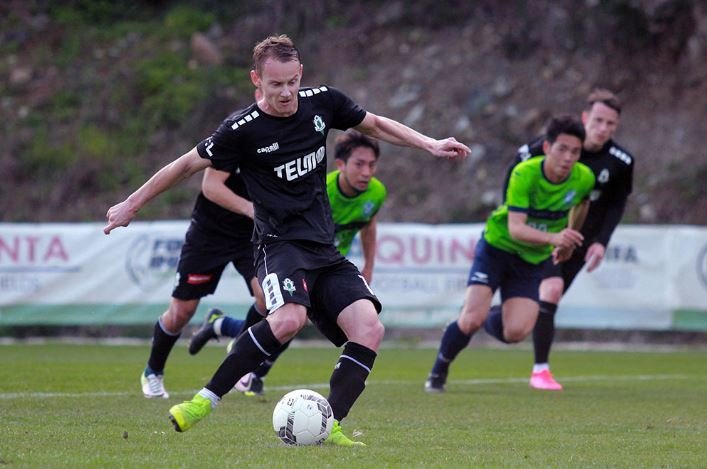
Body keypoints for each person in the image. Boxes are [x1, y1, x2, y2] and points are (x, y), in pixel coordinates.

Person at [104, 34, 469, 446]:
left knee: (369, 328)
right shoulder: (241, 130)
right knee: (288, 319)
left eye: (291, 82)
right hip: (277, 244)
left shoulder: (322, 102)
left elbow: (376, 124)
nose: (286, 93)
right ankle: (204, 401)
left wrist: (430, 143)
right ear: (256, 80)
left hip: (323, 248)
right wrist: (131, 205)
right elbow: (186, 165)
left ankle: (330, 426)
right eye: (275, 84)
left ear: (300, 75)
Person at [187, 129, 388, 396]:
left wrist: (369, 265)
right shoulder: (321, 189)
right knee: (290, 318)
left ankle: (222, 328)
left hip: (329, 263)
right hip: (295, 256)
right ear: (340, 165)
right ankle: (248, 375)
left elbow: (369, 225)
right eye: (359, 164)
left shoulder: (376, 192)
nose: (366, 172)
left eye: (372, 165)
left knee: (297, 321)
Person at [424, 115, 594, 393]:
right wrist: (555, 238)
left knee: (515, 333)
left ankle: (487, 311)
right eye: (562, 149)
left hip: (531, 260)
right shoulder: (525, 173)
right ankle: (438, 371)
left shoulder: (583, 178)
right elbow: (516, 229)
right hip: (497, 248)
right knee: (470, 320)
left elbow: (583, 202)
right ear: (548, 147)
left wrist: (567, 242)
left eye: (575, 151)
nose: (568, 157)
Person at [495, 89, 634, 391]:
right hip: (544, 234)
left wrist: (601, 242)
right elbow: (514, 171)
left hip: (579, 240)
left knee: (525, 320)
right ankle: (540, 371)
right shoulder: (561, 147)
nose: (603, 128)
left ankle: (482, 319)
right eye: (598, 120)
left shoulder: (621, 162)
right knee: (552, 290)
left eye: (611, 124)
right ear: (586, 118)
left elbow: (616, 204)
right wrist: (513, 217)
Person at [138, 162, 265, 399]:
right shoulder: (236, 133)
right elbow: (210, 186)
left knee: (268, 298)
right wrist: (251, 209)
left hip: (251, 236)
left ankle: (239, 348)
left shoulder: (285, 138)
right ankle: (153, 371)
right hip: (209, 234)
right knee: (181, 313)